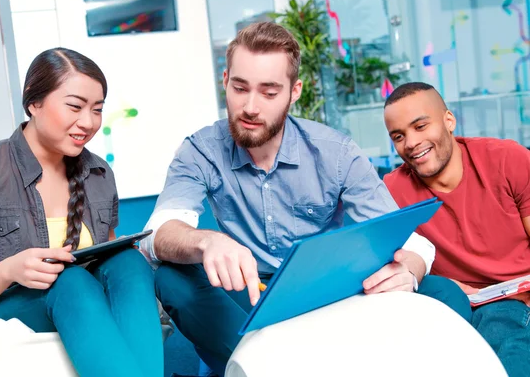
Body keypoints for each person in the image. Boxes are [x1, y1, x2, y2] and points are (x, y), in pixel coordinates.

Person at [140, 22, 471, 376]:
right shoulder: (200, 150)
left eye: (269, 92)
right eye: (240, 88)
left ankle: (282, 363)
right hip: (250, 291)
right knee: (172, 279)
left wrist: (410, 270)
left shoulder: (336, 152)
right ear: (225, 81)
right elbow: (155, 235)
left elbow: (409, 241)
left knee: (445, 295)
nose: (250, 107)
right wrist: (207, 241)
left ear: (294, 91)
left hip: (328, 290)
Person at [0, 48, 163, 377]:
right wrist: (9, 271)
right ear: (34, 103)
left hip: (80, 305)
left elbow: (109, 262)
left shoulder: (98, 173)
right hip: (3, 309)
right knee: (69, 280)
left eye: (97, 110)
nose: (88, 122)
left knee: (128, 261)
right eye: (74, 106)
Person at [383, 81, 530, 377]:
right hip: (455, 306)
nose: (410, 143)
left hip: (517, 299)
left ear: (449, 121)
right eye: (399, 136)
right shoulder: (391, 190)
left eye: (421, 126)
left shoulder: (506, 159)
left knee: (506, 346)